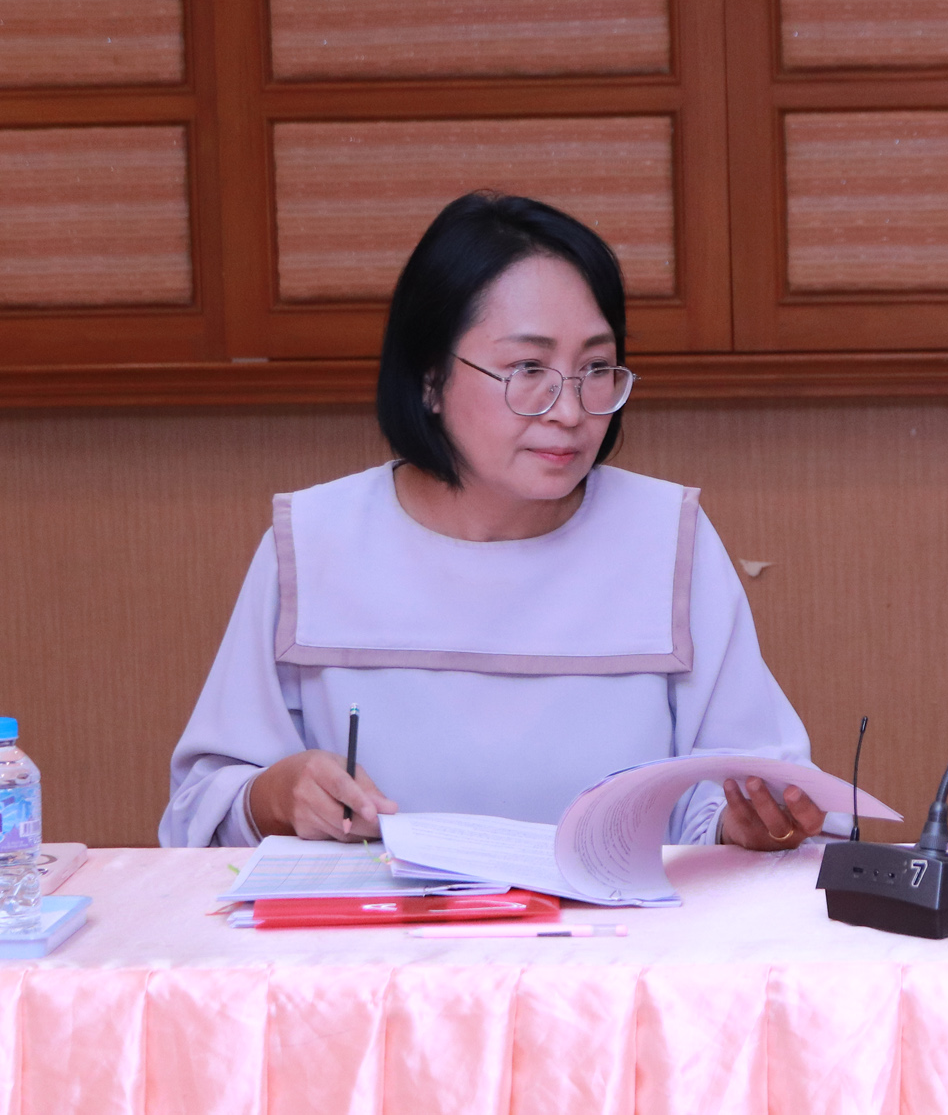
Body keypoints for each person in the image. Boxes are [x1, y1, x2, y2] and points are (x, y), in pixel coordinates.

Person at [162, 192, 829, 851]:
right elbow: (201, 808)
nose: (570, 410)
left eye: (595, 368)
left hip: (617, 921)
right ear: (429, 376)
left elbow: (744, 789)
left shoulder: (667, 539)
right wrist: (277, 795)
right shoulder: (315, 542)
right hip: (375, 924)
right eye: (528, 368)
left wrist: (746, 826)